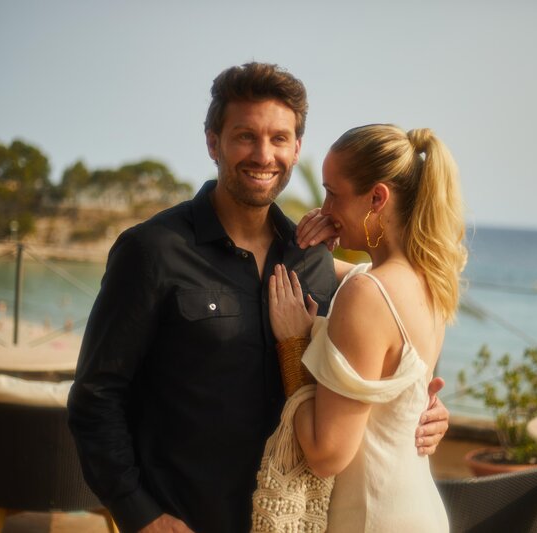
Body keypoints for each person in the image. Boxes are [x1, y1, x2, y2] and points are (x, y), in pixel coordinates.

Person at [67, 62, 450, 533]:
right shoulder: (151, 251)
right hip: (187, 520)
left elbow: (378, 350)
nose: (263, 155)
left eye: (279, 138)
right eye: (245, 136)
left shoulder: (314, 260)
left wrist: (419, 407)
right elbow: (95, 397)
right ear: (214, 142)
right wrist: (139, 513)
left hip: (290, 522)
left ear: (297, 148)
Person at [268, 124, 467, 531]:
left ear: (377, 198)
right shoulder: (429, 281)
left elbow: (326, 454)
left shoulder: (368, 293)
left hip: (372, 518)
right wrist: (314, 245)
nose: (324, 209)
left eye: (333, 194)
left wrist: (293, 343)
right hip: (417, 510)